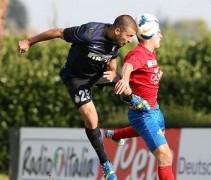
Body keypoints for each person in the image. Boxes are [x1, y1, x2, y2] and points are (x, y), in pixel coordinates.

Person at [17, 15, 149, 180]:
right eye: (129, 36)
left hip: (98, 74)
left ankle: (132, 101)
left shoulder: (118, 40)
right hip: (77, 79)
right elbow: (58, 32)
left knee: (124, 85)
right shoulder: (88, 33)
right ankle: (106, 165)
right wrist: (28, 42)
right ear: (117, 30)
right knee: (92, 119)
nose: (131, 40)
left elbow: (112, 56)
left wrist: (113, 72)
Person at [105, 14, 175, 180]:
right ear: (151, 33)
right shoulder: (140, 53)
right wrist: (125, 79)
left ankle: (116, 135)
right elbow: (129, 65)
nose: (161, 36)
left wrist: (156, 76)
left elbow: (144, 75)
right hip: (142, 113)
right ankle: (116, 135)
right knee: (164, 155)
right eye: (159, 32)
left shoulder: (150, 54)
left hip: (155, 111)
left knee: (160, 148)